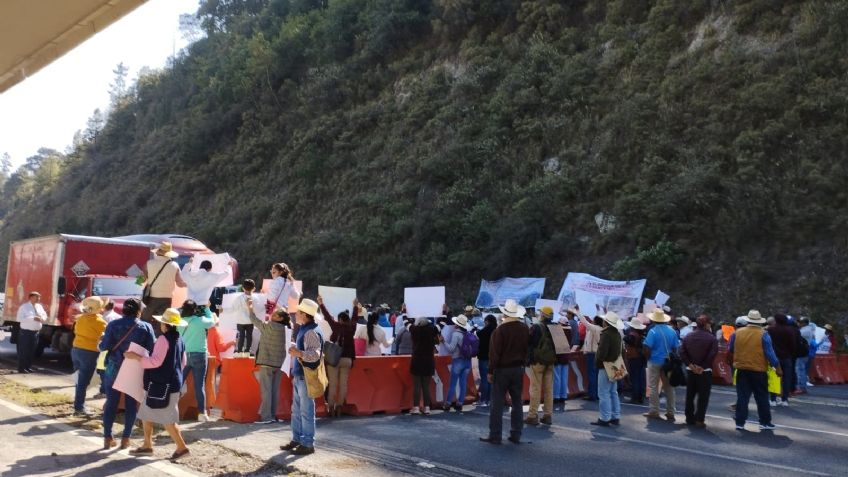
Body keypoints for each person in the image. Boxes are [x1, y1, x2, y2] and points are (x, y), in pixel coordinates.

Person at [126, 308, 190, 460]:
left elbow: (155, 362)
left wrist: (137, 357)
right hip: (171, 383)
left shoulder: (163, 339)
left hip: (161, 385)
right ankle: (147, 445)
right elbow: (183, 362)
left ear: (164, 324)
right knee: (146, 414)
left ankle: (182, 448)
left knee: (168, 420)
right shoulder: (179, 338)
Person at [100, 298, 156, 450]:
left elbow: (103, 346)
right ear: (139, 310)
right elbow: (152, 349)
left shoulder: (113, 324)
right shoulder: (146, 327)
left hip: (113, 368)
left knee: (111, 403)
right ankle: (126, 439)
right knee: (131, 405)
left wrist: (102, 341)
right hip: (134, 369)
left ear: (123, 309)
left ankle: (107, 437)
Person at [480, 299, 529, 445]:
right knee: (517, 402)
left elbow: (494, 354)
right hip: (518, 368)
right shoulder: (524, 328)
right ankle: (516, 433)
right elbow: (528, 349)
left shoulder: (500, 330)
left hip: (502, 370)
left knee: (497, 403)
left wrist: (490, 371)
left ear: (504, 314)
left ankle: (495, 435)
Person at [281, 299, 323, 456]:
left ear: (305, 314)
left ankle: (307, 443)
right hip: (301, 376)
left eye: (298, 312)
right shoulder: (307, 328)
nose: (295, 314)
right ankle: (298, 440)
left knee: (305, 411)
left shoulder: (310, 331)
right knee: (297, 411)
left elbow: (315, 355)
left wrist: (298, 353)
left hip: (305, 377)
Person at [729, 310, 781, 431]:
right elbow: (770, 353)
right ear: (759, 322)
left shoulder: (737, 333)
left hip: (742, 368)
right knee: (762, 396)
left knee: (742, 397)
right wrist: (777, 367)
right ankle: (765, 422)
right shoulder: (763, 334)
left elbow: (731, 348)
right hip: (758, 369)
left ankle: (740, 422)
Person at [249, 303, 290, 424]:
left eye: (276, 314)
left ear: (281, 318)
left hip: (266, 362)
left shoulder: (270, 326)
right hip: (279, 364)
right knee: (274, 391)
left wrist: (250, 308)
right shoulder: (286, 329)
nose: (273, 315)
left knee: (266, 391)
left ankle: (266, 417)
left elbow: (254, 320)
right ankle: (272, 415)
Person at [317, 297, 357, 417]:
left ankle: (330, 407)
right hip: (347, 359)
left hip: (334, 359)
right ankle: (339, 406)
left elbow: (327, 316)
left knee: (333, 384)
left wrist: (321, 304)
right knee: (343, 384)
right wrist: (355, 306)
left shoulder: (336, 326)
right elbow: (355, 318)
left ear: (339, 319)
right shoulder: (352, 328)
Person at [177, 300, 214, 421]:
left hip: (183, 355)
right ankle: (201, 414)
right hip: (199, 354)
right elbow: (212, 322)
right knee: (199, 385)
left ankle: (169, 409)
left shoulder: (179, 322)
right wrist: (207, 308)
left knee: (178, 383)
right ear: (195, 310)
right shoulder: (200, 320)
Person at [680, 315, 718, 428]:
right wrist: (702, 366)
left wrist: (690, 365)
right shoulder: (711, 338)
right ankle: (699, 419)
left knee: (690, 395)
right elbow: (712, 354)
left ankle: (689, 417)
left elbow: (682, 352)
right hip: (704, 371)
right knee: (703, 396)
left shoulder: (688, 336)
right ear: (707, 324)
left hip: (690, 370)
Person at [642, 308, 680, 421]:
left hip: (654, 361)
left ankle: (654, 411)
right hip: (667, 362)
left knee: (653, 387)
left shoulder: (653, 331)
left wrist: (648, 358)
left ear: (654, 320)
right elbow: (675, 348)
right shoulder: (672, 331)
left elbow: (647, 347)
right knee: (669, 387)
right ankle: (670, 412)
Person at [71, 296, 107, 416]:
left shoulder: (80, 318)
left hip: (76, 349)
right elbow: (105, 337)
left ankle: (78, 404)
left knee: (78, 379)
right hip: (89, 352)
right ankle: (79, 407)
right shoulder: (100, 322)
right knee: (84, 381)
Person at [141, 242, 186, 330]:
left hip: (150, 298)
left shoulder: (149, 263)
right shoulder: (175, 266)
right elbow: (180, 284)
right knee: (162, 324)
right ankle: (159, 341)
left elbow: (141, 280)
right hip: (166, 299)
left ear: (158, 252)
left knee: (145, 322)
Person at [525, 306, 557, 426]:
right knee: (549, 389)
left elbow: (530, 343)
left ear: (542, 315)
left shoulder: (537, 327)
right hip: (551, 361)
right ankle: (548, 415)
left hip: (538, 361)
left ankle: (532, 416)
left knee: (535, 388)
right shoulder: (555, 327)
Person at [592, 311, 623, 427]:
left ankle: (604, 417)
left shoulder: (606, 334)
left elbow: (602, 353)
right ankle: (615, 416)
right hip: (615, 364)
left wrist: (598, 360)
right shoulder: (617, 333)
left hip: (605, 365)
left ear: (606, 322)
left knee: (603, 392)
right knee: (613, 392)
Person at [443, 315, 474, 413]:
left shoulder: (455, 334)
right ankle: (460, 403)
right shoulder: (468, 334)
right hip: (467, 361)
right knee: (463, 383)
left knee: (453, 383)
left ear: (457, 325)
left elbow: (451, 349)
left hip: (457, 360)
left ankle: (448, 403)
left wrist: (443, 341)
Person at [410, 317, 439, 415]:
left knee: (417, 386)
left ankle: (416, 407)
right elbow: (442, 323)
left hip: (416, 361)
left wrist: (405, 311)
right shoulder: (432, 330)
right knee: (426, 386)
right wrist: (444, 313)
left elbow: (406, 323)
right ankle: (427, 407)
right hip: (428, 361)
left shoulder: (414, 330)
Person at [767, 313, 796, 406]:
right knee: (786, 379)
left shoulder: (771, 330)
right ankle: (785, 400)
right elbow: (792, 344)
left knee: (773, 378)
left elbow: (767, 343)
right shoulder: (790, 330)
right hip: (786, 357)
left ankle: (773, 399)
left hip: (774, 357)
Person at [16, 291, 47, 373]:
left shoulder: (39, 306)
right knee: (24, 351)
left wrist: (42, 318)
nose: (38, 299)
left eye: (39, 297)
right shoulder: (24, 307)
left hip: (35, 332)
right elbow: (19, 319)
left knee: (32, 351)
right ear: (30, 298)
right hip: (26, 332)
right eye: (36, 297)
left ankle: (28, 367)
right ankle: (21, 368)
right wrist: (32, 318)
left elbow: (44, 315)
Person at [577, 307, 602, 401]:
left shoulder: (594, 328)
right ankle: (596, 394)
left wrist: (578, 312)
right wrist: (598, 310)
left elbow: (584, 322)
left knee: (592, 375)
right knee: (596, 375)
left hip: (592, 354)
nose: (592, 320)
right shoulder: (601, 328)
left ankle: (593, 395)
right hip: (597, 353)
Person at [230, 279, 257, 356]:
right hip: (251, 320)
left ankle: (239, 351)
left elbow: (233, 308)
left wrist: (223, 309)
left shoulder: (239, 298)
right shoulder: (255, 298)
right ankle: (247, 351)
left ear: (243, 288)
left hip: (240, 320)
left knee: (241, 336)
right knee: (249, 335)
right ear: (254, 288)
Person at [475, 315, 497, 408]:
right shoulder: (496, 331)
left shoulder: (484, 331)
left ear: (487, 321)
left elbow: (478, 333)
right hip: (493, 358)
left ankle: (483, 399)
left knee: (484, 379)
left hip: (484, 357)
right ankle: (490, 400)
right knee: (491, 380)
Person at [623, 317, 647, 404]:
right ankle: (640, 397)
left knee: (634, 378)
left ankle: (635, 397)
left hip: (634, 357)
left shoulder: (632, 334)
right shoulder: (640, 334)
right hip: (640, 357)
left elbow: (626, 339)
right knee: (640, 377)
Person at [796, 317, 815, 393]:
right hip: (804, 352)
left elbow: (796, 335)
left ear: (804, 323)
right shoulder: (807, 329)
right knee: (802, 370)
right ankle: (802, 387)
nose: (799, 324)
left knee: (800, 370)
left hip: (801, 352)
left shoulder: (805, 330)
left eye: (800, 322)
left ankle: (801, 387)